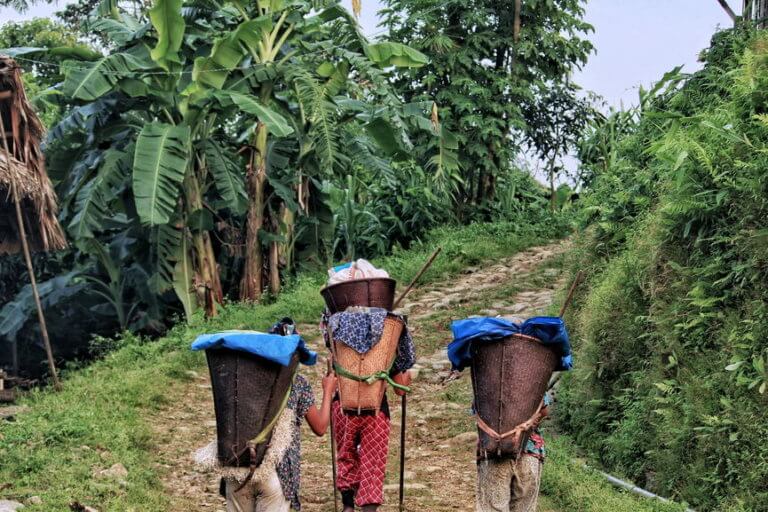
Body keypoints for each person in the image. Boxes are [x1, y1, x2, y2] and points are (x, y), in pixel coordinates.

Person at [222, 370, 337, 512]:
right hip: (276, 472)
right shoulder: (297, 381)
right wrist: (328, 391)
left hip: (238, 468)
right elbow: (320, 427)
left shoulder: (237, 377)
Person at [475, 393, 552, 512]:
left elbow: (477, 410)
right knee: (524, 508)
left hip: (494, 452)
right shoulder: (532, 379)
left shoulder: (487, 379)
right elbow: (544, 411)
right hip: (529, 452)